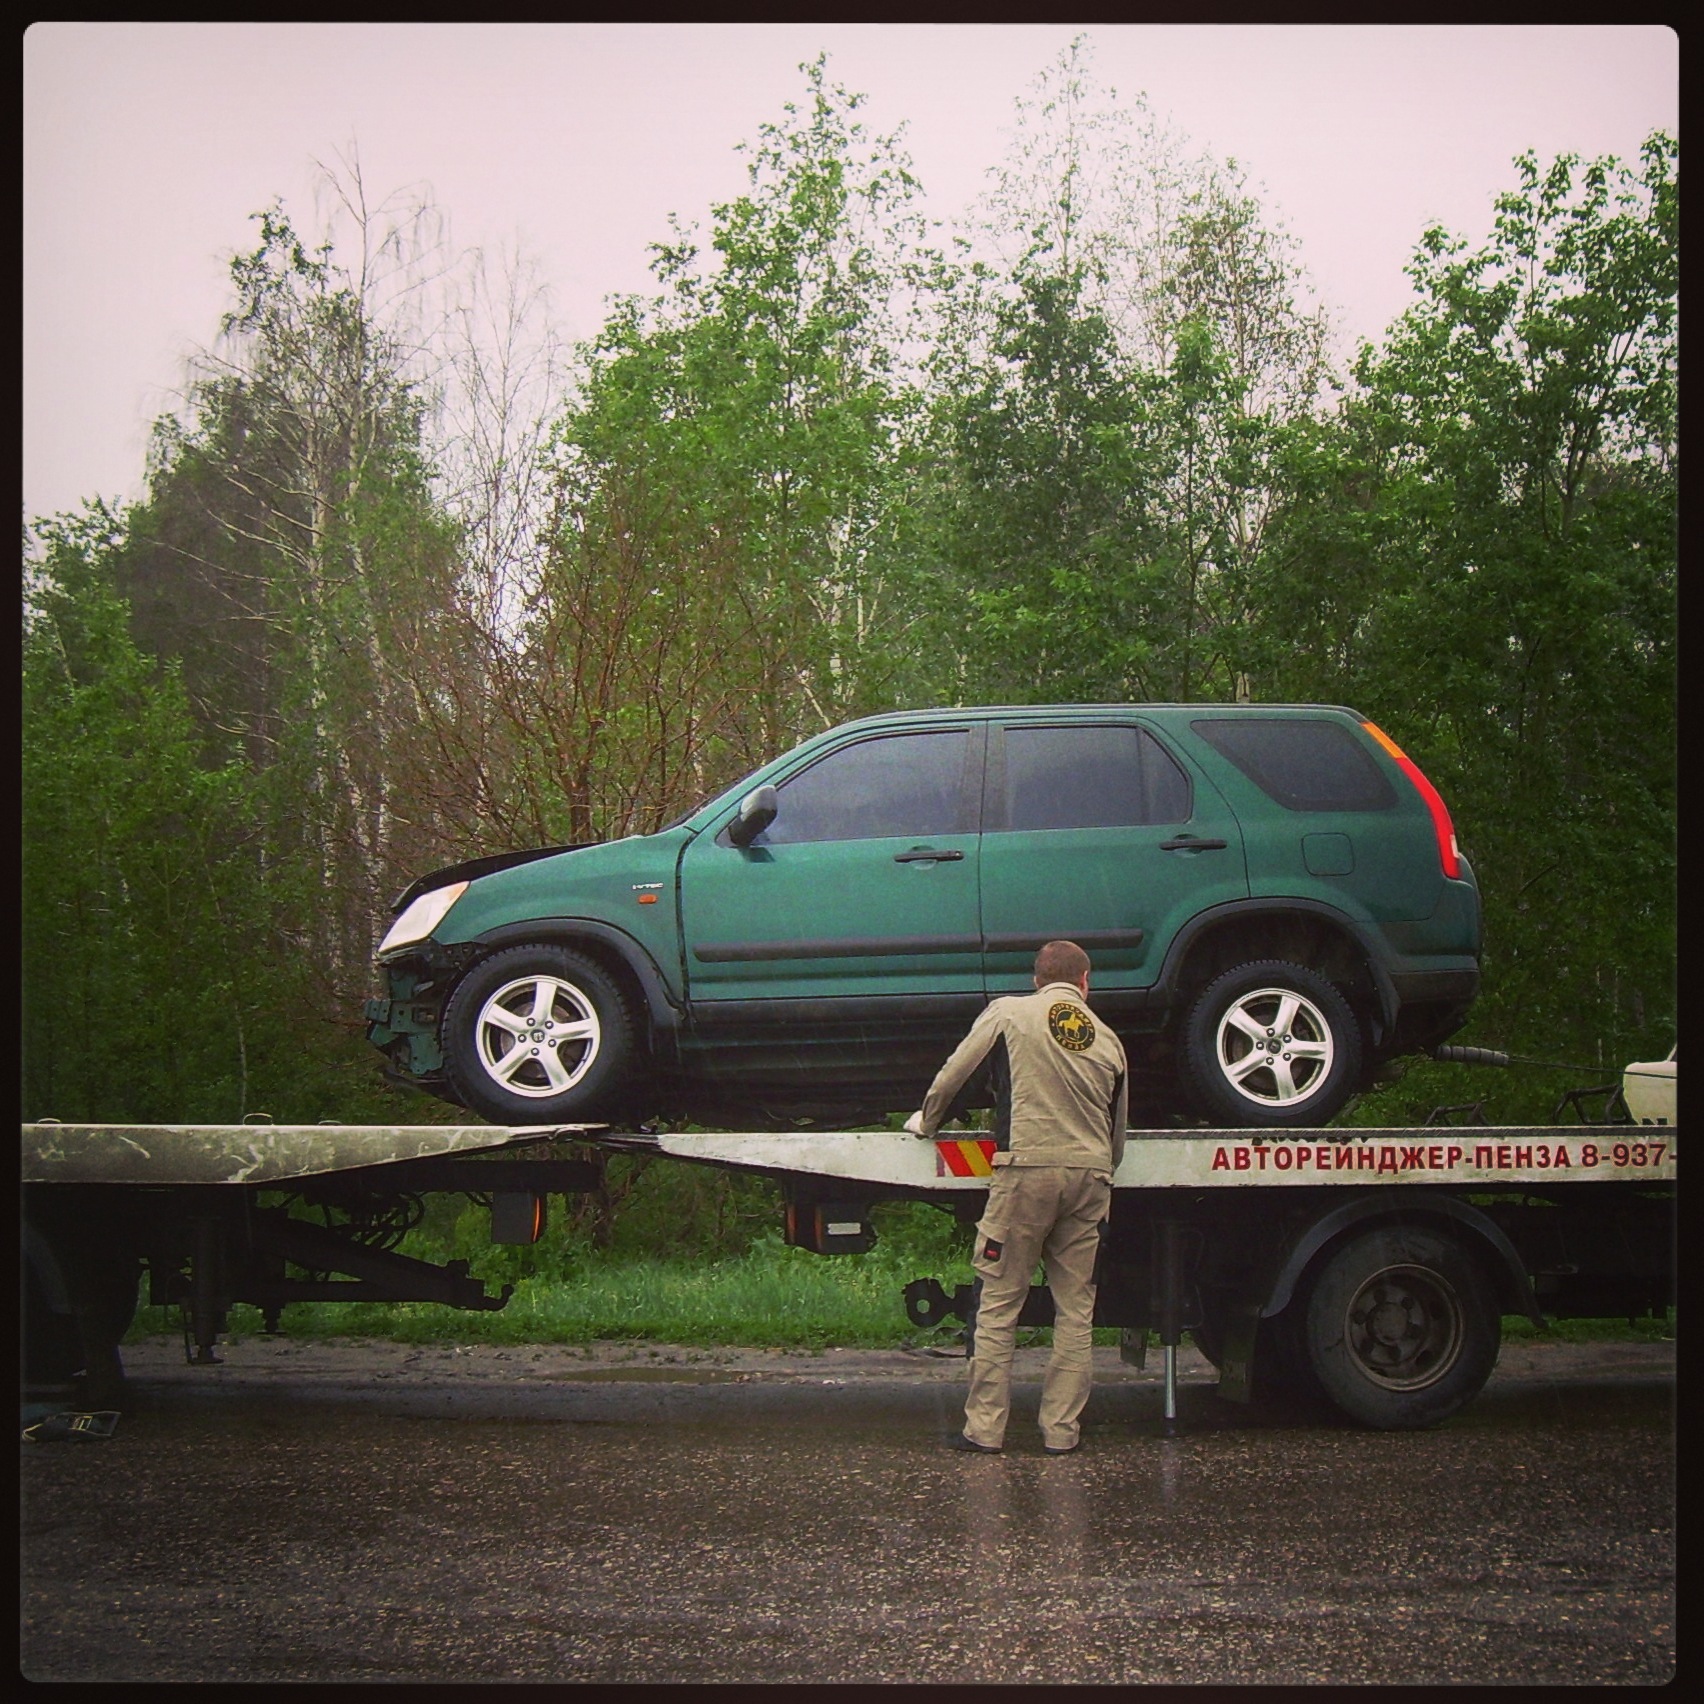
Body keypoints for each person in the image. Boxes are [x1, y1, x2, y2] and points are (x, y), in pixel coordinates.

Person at [905, 940, 1127, 1455]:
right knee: (1076, 1311)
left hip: (1026, 1171)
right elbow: (1118, 1134)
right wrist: (1098, 1167)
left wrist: (928, 1119)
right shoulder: (1110, 1040)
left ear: (1037, 980)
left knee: (1000, 1304)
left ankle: (984, 1431)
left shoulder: (1009, 1013)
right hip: (1090, 1177)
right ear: (1085, 982)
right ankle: (1061, 1435)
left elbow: (955, 1074)